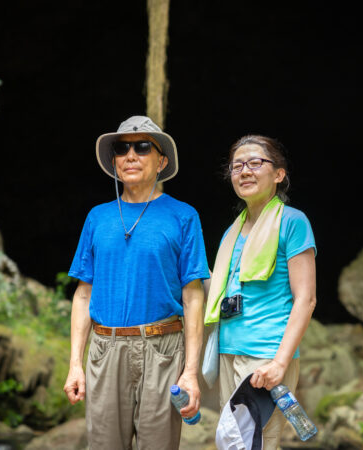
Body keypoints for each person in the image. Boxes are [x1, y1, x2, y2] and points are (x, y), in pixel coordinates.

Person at [63, 116, 209, 450]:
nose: (131, 155)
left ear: (162, 161)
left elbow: (193, 297)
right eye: (122, 148)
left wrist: (190, 371)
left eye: (143, 146)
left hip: (163, 349)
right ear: (114, 160)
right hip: (106, 348)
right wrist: (75, 364)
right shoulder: (97, 217)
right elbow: (83, 295)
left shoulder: (183, 216)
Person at [204, 135, 317, 450]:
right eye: (237, 166)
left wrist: (280, 362)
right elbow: (223, 292)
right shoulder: (233, 230)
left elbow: (306, 299)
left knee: (259, 443)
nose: (245, 171)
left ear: (278, 174)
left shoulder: (293, 223)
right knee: (234, 443)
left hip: (266, 354)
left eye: (255, 163)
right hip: (229, 350)